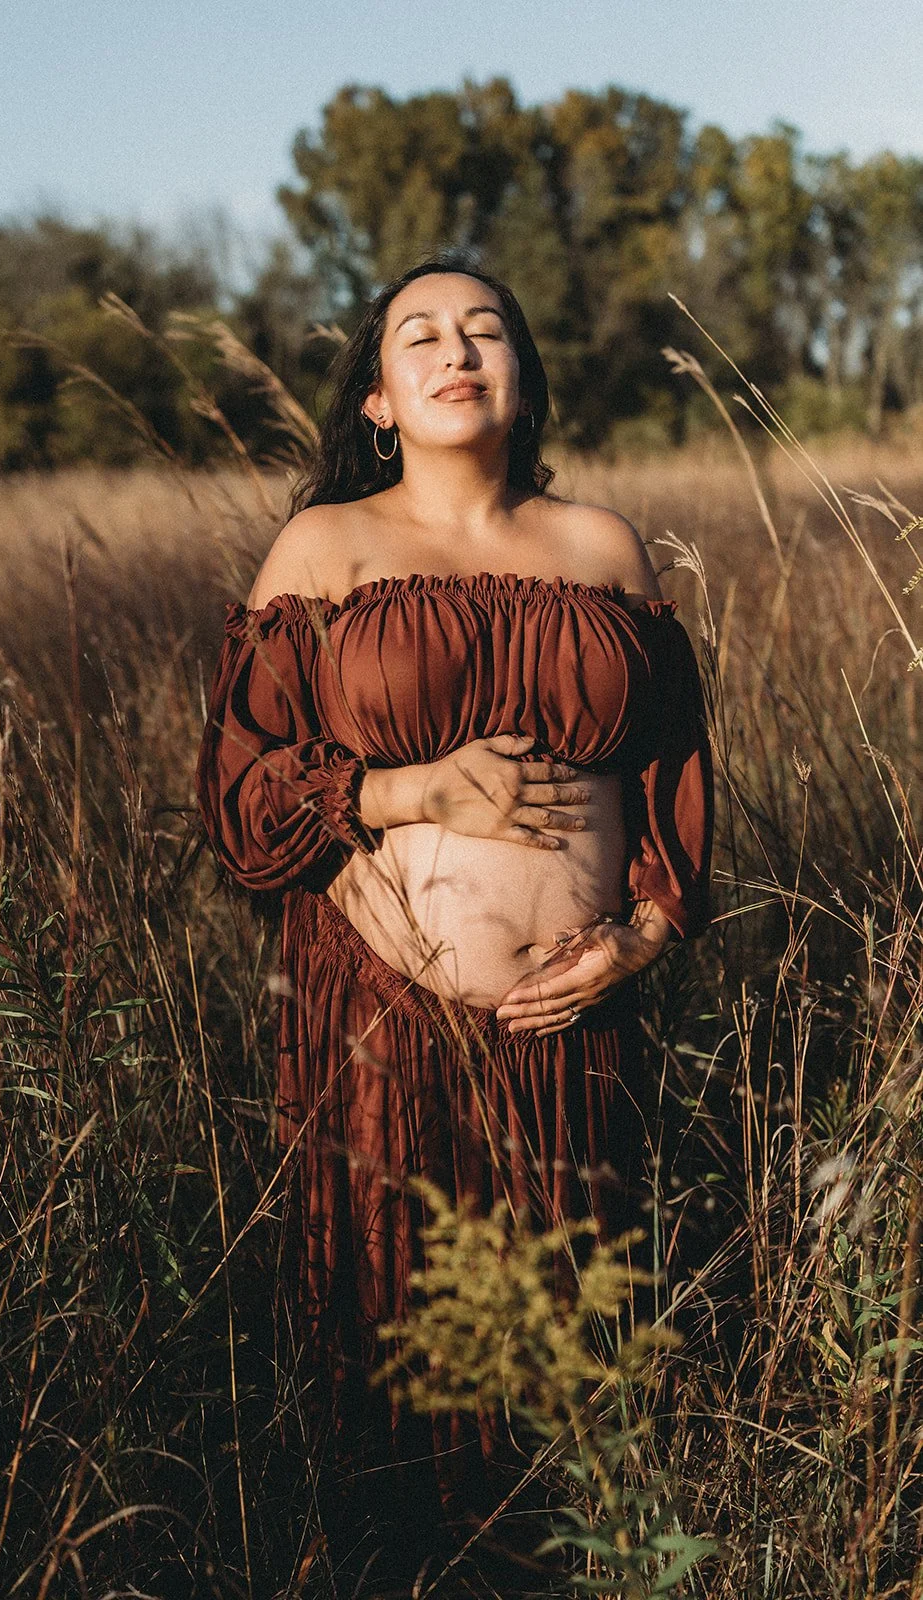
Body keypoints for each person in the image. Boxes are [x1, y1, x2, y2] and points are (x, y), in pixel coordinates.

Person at [195, 253, 713, 1576]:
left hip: (575, 1020)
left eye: (485, 331)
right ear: (377, 397)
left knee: (575, 1350)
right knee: (399, 1353)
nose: (456, 350)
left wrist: (645, 935)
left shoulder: (601, 546)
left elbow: (670, 774)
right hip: (384, 1022)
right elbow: (241, 796)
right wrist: (407, 788)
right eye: (418, 334)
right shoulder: (327, 549)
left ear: (523, 379)